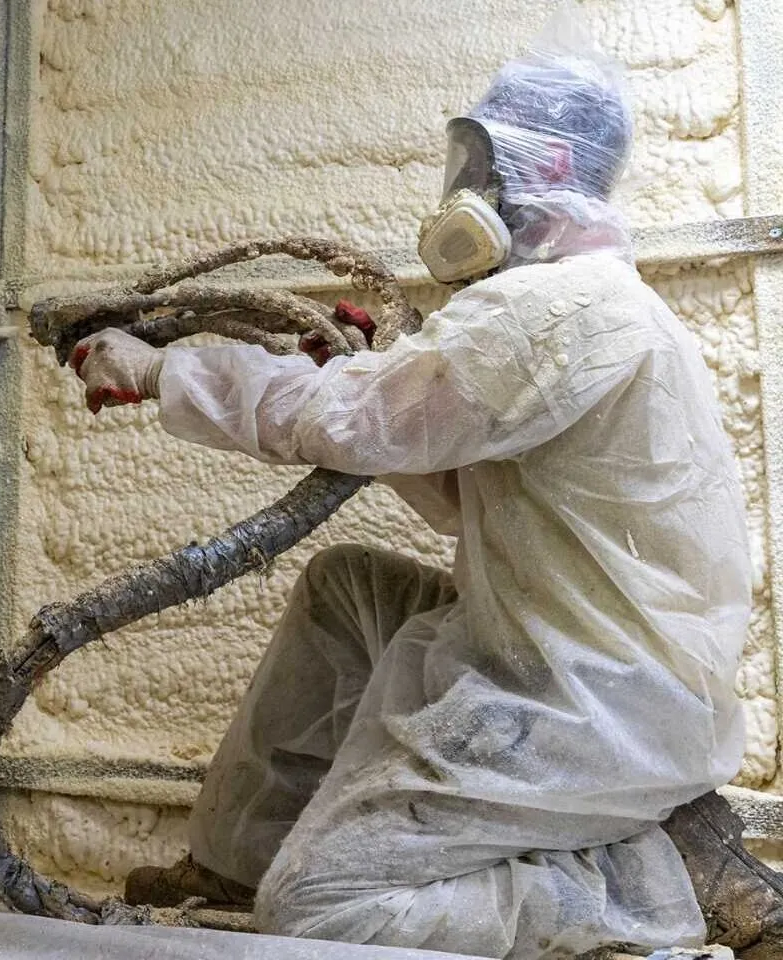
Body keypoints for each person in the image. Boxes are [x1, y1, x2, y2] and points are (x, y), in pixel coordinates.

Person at [67, 28, 783, 960]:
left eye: (479, 160)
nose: (463, 187)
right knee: (346, 587)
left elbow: (357, 423)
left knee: (323, 911)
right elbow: (457, 482)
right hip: (589, 651)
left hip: (583, 695)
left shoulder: (557, 308)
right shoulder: (592, 309)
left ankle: (659, 882)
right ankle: (234, 865)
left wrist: (167, 371)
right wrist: (362, 377)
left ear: (545, 162)